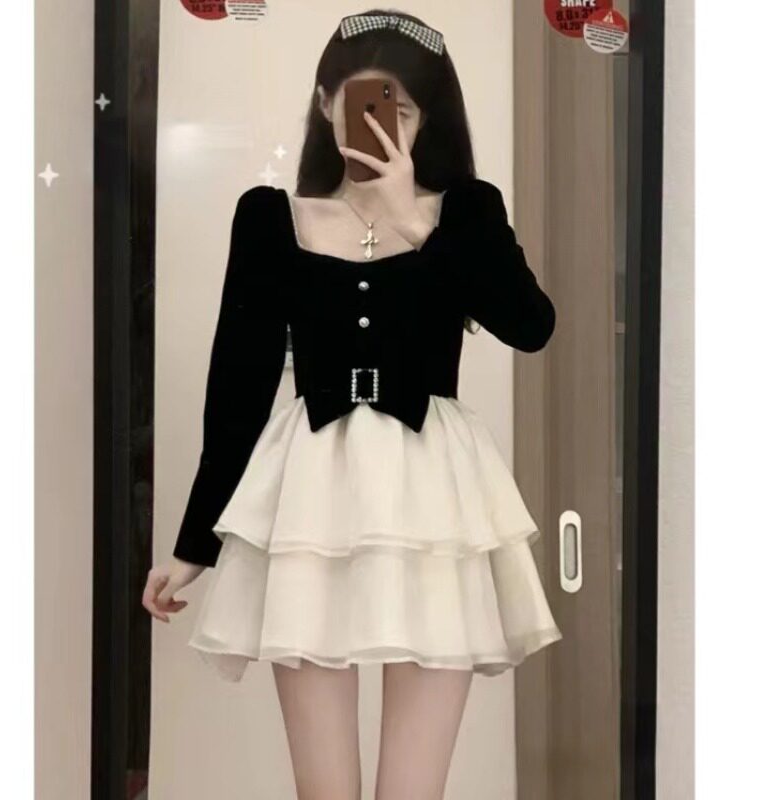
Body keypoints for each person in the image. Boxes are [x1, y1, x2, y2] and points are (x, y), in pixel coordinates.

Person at [143, 10, 562, 799]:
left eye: (402, 109)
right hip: (310, 501)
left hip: (435, 503)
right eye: (361, 102)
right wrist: (195, 546)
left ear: (428, 119)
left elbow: (531, 326)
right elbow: (237, 389)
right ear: (324, 99)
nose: (379, 123)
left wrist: (412, 217)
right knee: (323, 791)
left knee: (413, 791)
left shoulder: (467, 211)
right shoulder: (269, 219)